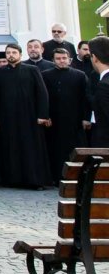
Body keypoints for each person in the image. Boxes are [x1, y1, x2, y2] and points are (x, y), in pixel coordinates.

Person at [0, 43, 50, 189]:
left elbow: (42, 93)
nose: (11, 55)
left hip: (29, 117)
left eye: (14, 52)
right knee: (10, 147)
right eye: (8, 53)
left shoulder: (32, 70)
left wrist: (42, 115)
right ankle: (12, 179)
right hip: (7, 117)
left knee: (30, 149)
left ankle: (34, 181)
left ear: (20, 54)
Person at [42, 48, 91, 182]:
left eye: (64, 58)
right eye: (58, 58)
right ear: (53, 60)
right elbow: (42, 98)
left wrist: (86, 118)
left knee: (76, 149)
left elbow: (86, 98)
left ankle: (78, 177)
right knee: (55, 149)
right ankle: (57, 177)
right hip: (54, 120)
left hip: (75, 120)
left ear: (69, 60)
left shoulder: (80, 75)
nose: (61, 61)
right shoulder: (45, 75)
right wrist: (45, 115)